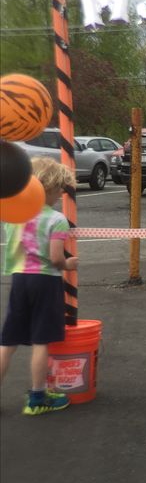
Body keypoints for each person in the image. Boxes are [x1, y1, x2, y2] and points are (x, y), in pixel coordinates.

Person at [0, 157, 79, 415]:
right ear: (49, 188)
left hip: (19, 278)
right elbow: (56, 258)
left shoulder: (14, 215)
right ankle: (37, 397)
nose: (59, 195)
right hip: (45, 281)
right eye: (58, 190)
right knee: (41, 340)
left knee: (8, 341)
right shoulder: (56, 219)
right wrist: (70, 264)